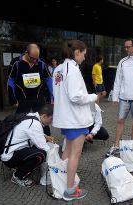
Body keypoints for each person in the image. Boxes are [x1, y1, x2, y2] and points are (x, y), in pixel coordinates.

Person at [52, 40, 98, 201]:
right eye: (84, 54)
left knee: (67, 151)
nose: (85, 58)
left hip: (66, 118)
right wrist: (93, 96)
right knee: (74, 155)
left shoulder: (58, 69)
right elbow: (75, 96)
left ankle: (62, 181)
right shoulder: (71, 69)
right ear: (77, 52)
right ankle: (70, 190)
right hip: (75, 119)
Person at [1, 104, 54, 187]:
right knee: (42, 154)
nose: (51, 122)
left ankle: (21, 167)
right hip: (10, 157)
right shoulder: (35, 124)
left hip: (10, 151)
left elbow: (30, 131)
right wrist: (57, 161)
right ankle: (18, 176)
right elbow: (44, 147)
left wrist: (45, 136)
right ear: (44, 116)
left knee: (38, 149)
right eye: (51, 119)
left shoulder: (30, 117)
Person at [7, 43, 53, 114]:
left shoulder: (41, 62)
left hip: (38, 97)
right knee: (22, 122)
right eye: (32, 58)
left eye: (36, 58)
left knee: (42, 122)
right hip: (23, 98)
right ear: (26, 53)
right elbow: (10, 80)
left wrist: (54, 94)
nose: (35, 61)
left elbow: (48, 79)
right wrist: (12, 97)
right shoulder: (16, 62)